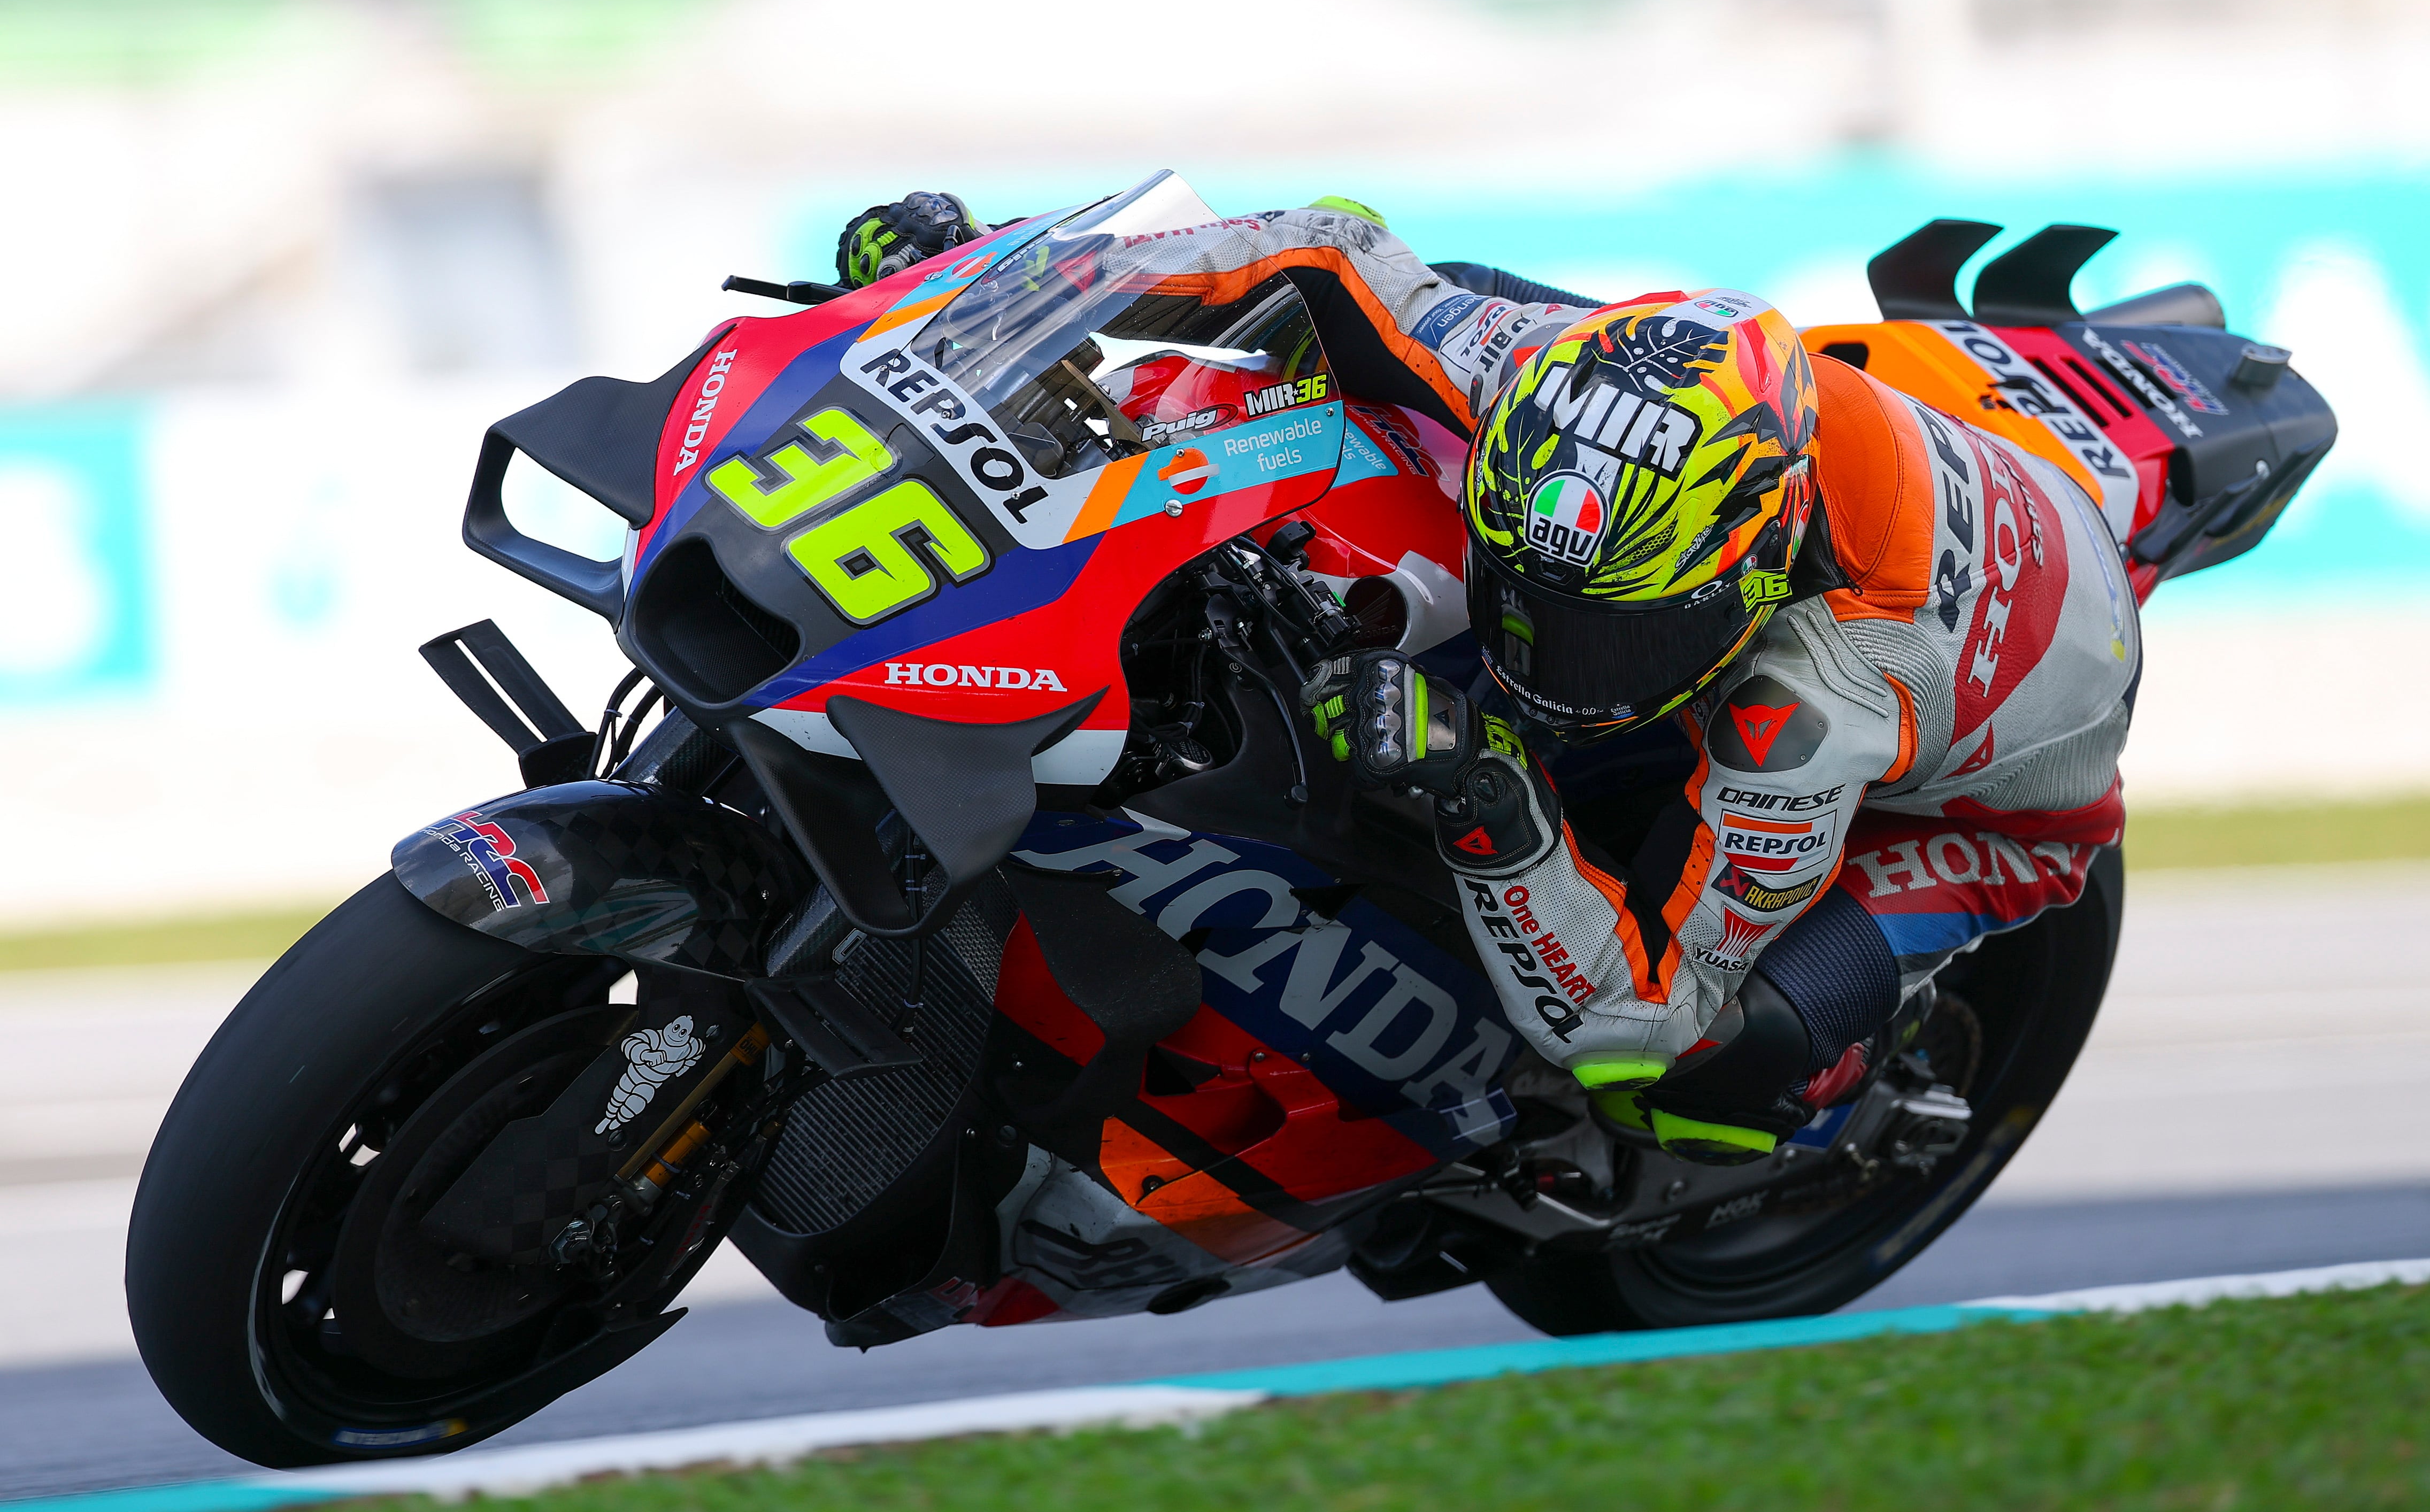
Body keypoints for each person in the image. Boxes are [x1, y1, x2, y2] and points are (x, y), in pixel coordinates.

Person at [833, 192, 2141, 1165]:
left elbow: (1639, 1013)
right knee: (1366, 334)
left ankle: (1821, 1099)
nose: (1550, 670)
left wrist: (1487, 790)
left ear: (1750, 578)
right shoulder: (1528, 368)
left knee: (1686, 1077)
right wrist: (1008, 279)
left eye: (1610, 638)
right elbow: (1328, 251)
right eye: (1533, 608)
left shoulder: (1819, 702)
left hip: (1992, 811)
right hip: (1906, 450)